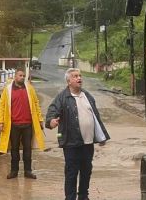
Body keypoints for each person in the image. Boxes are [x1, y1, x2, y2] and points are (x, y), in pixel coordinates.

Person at [46, 68, 110, 200]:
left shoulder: (87, 95)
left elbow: (96, 117)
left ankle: (83, 196)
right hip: (71, 143)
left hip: (88, 142)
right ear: (68, 81)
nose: (79, 78)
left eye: (80, 76)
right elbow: (52, 111)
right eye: (75, 76)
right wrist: (51, 121)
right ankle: (70, 198)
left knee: (86, 171)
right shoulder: (62, 97)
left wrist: (101, 136)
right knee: (71, 173)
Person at [0, 68, 45, 179]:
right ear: (15, 76)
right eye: (20, 75)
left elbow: (36, 104)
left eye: (24, 75)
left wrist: (40, 119)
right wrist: (0, 122)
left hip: (27, 125)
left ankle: (28, 171)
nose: (22, 77)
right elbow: (2, 106)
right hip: (14, 125)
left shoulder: (30, 89)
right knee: (14, 149)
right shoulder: (7, 90)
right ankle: (14, 171)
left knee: (27, 149)